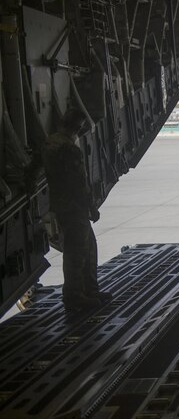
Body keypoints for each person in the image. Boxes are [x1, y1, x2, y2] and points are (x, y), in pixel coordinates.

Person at [43, 109, 112, 312]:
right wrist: (91, 206)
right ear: (76, 127)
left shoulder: (49, 143)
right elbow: (78, 182)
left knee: (89, 247)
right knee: (77, 252)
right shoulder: (68, 148)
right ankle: (74, 295)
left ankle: (90, 290)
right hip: (74, 207)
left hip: (62, 205)